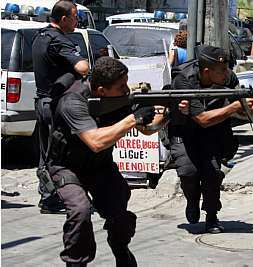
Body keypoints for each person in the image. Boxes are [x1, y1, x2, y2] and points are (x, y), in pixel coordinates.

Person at [45, 56, 165, 266]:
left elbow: (147, 130)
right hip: (67, 166)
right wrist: (132, 119)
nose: (127, 90)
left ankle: (120, 249)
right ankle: (76, 263)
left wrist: (167, 112)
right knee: (80, 211)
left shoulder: (115, 99)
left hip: (99, 165)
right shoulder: (72, 102)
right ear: (101, 90)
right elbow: (95, 141)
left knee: (119, 211)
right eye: (121, 86)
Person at [168, 45, 253, 234]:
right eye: (222, 70)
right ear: (206, 71)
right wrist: (234, 107)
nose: (227, 73)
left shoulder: (228, 79)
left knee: (212, 175)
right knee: (188, 173)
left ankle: (211, 216)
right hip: (184, 131)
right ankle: (192, 200)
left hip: (213, 132)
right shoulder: (184, 79)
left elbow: (243, 109)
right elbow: (203, 119)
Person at [32, 0, 89, 213]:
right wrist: (82, 62)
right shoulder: (58, 40)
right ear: (64, 19)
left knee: (46, 153)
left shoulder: (40, 36)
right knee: (59, 153)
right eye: (75, 17)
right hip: (56, 106)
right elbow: (83, 67)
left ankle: (47, 196)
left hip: (42, 102)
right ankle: (53, 198)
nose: (77, 21)